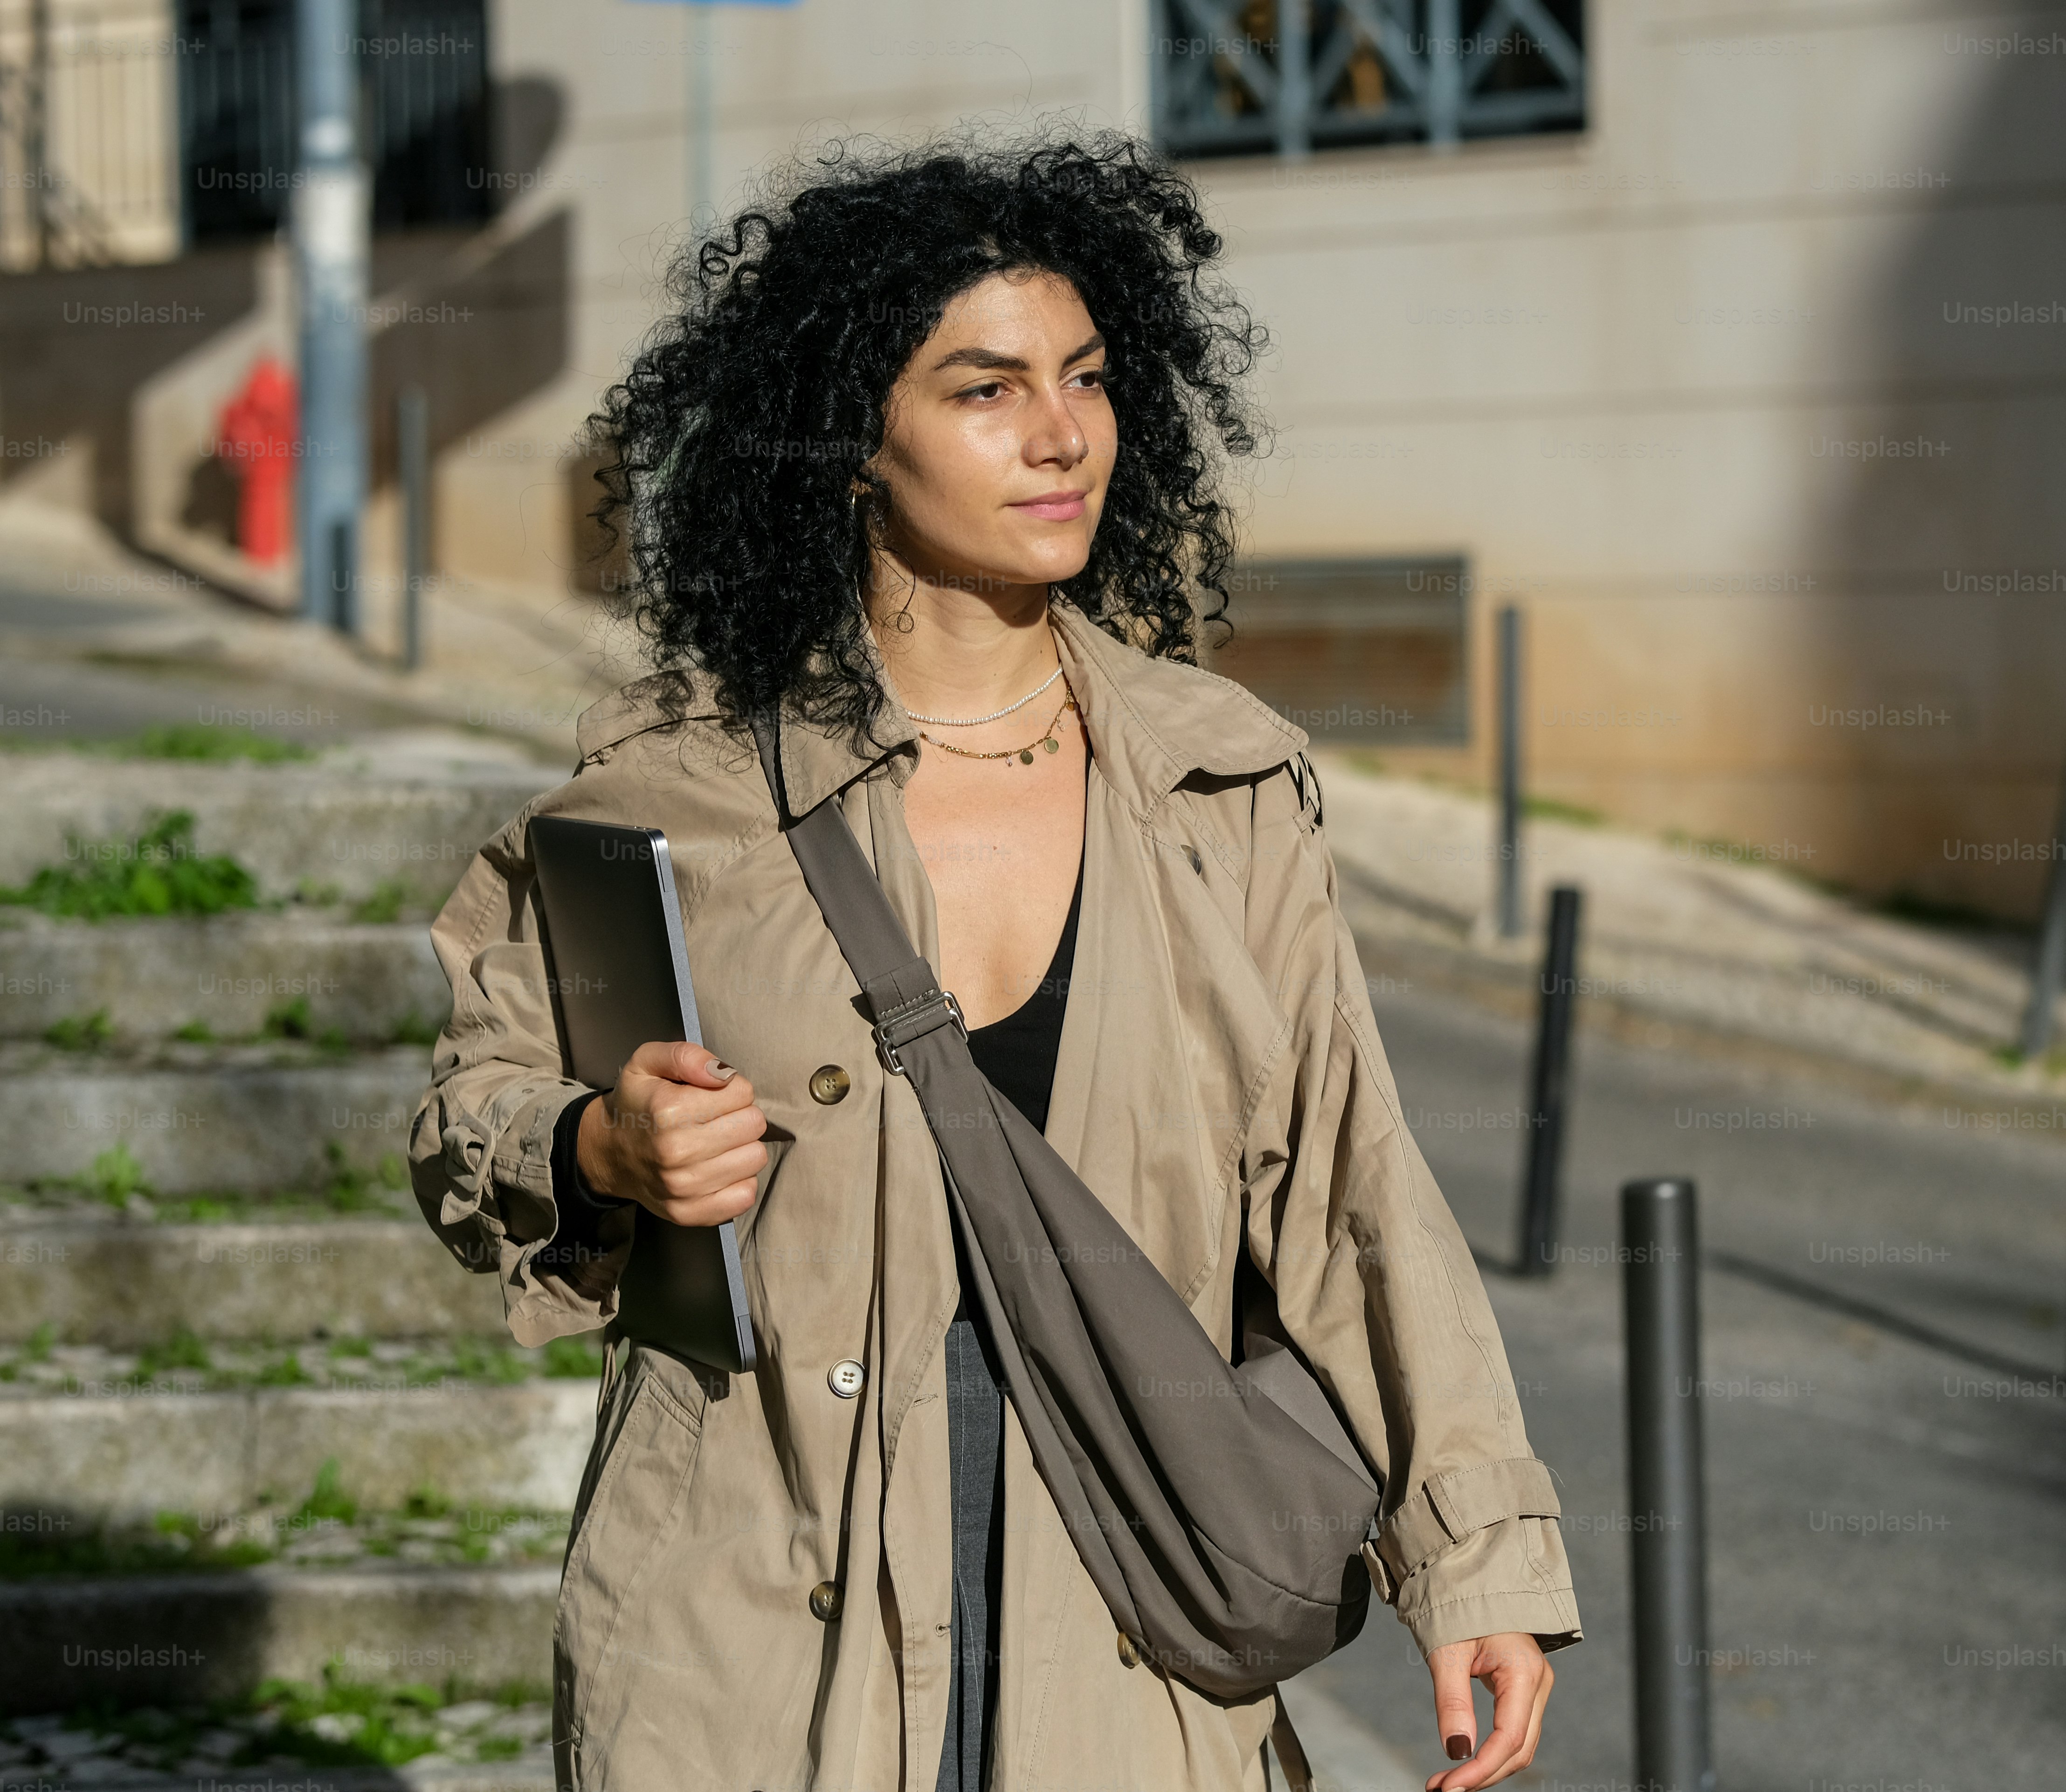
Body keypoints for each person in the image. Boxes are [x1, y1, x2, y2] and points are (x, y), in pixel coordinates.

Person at [408, 133, 1579, 1792]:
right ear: (849, 447)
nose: (1060, 434)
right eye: (984, 388)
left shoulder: (1217, 786)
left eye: (1088, 378)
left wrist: (1477, 1558)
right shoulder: (679, 787)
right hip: (752, 1643)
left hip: (1126, 1626)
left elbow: (1353, 1190)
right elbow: (473, 1104)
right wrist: (598, 1144)